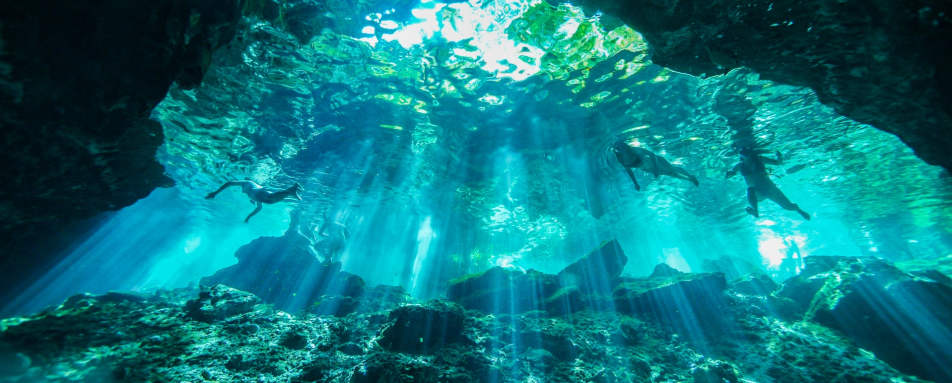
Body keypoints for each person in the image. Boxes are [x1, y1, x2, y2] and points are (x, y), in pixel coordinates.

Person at [726, 147, 809, 220]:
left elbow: (777, 163)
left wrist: (779, 156)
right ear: (741, 156)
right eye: (744, 154)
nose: (747, 157)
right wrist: (729, 173)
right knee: (750, 190)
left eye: (747, 153)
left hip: (770, 188)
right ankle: (755, 211)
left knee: (788, 206)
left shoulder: (760, 159)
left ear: (751, 154)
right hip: (758, 192)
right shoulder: (740, 165)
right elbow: (731, 173)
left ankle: (799, 211)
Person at [612, 140, 699, 191]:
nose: (625, 149)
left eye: (625, 147)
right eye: (622, 149)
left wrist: (656, 168)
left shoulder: (636, 150)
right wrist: (635, 183)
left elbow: (652, 155)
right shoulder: (622, 160)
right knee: (673, 174)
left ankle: (690, 176)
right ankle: (691, 179)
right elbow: (629, 171)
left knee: (673, 169)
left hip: (657, 162)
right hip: (648, 168)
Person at [205, 180, 302, 222]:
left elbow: (229, 183)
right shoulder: (251, 196)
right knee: (270, 200)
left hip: (259, 192)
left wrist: (215, 192)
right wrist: (248, 217)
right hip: (260, 194)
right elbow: (259, 208)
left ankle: (290, 190)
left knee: (270, 198)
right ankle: (290, 192)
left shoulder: (246, 183)